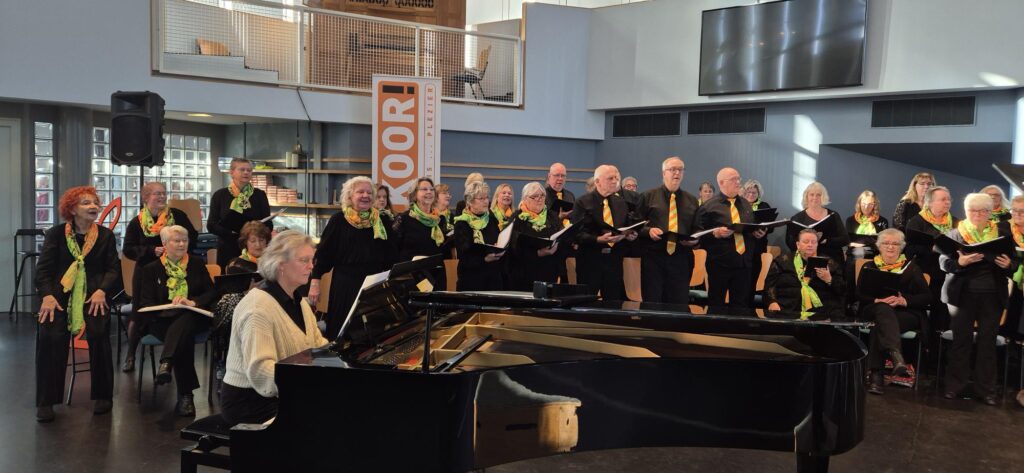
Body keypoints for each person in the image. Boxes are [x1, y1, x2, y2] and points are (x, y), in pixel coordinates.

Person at [220, 231, 329, 425]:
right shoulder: (257, 308)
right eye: (304, 260)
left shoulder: (298, 301)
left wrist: (336, 370)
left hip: (285, 390)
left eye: (312, 260)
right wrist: (310, 384)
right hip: (251, 402)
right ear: (281, 264)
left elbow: (318, 346)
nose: (311, 266)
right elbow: (261, 372)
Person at [34, 186, 120, 422]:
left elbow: (113, 269)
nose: (93, 206)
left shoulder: (105, 236)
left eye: (95, 202)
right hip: (59, 296)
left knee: (99, 333)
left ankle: (103, 395)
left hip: (93, 296)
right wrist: (47, 296)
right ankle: (46, 401)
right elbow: (43, 271)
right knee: (50, 336)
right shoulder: (56, 234)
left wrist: (102, 290)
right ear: (72, 209)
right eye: (85, 203)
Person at [938, 193, 1016, 405]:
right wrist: (960, 263)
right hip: (961, 296)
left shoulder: (1001, 233)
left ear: (991, 213)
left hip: (992, 296)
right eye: (973, 210)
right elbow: (943, 263)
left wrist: (1008, 265)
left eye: (983, 211)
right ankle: (954, 386)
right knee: (961, 341)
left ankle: (986, 390)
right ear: (966, 211)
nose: (978, 214)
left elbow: (1013, 263)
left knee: (987, 343)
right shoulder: (955, 234)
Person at [135, 225, 218, 416]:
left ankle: (167, 362)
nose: (182, 244)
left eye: (185, 240)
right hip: (162, 321)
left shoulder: (196, 263)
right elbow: (145, 303)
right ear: (164, 244)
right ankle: (186, 397)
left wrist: (192, 302)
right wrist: (170, 307)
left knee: (185, 317)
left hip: (194, 317)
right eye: (177, 241)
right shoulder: (150, 269)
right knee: (183, 335)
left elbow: (211, 292)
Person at [121, 182, 197, 373]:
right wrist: (150, 251)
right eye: (157, 194)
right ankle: (131, 355)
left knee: (175, 311)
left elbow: (193, 237)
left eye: (164, 193)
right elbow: (128, 249)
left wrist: (178, 252)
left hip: (176, 270)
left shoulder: (177, 216)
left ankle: (170, 354)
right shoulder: (137, 222)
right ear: (146, 197)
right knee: (138, 313)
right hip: (147, 273)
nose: (162, 197)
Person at [309, 176, 397, 340]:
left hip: (375, 286)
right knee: (344, 332)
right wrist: (315, 282)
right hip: (346, 286)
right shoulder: (338, 220)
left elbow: (392, 255)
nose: (365, 195)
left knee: (375, 333)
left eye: (369, 193)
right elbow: (323, 255)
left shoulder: (382, 220)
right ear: (350, 196)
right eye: (360, 192)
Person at [857, 229, 930, 395]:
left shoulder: (911, 268)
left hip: (905, 313)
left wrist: (904, 300)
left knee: (880, 326)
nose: (890, 247)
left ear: (902, 247)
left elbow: (927, 297)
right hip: (874, 308)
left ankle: (877, 377)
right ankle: (896, 355)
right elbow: (858, 294)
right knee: (883, 310)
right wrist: (877, 300)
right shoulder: (869, 266)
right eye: (886, 243)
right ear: (879, 246)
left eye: (895, 244)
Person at [694, 168, 767, 313]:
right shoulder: (708, 206)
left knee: (741, 307)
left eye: (739, 179)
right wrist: (715, 234)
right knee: (716, 306)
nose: (738, 182)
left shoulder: (745, 204)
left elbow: (749, 228)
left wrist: (757, 233)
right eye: (734, 179)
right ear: (722, 183)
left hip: (744, 263)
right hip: (720, 264)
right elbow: (698, 234)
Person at [637, 157, 699, 305]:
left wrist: (696, 239)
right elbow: (636, 225)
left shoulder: (692, 200)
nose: (677, 173)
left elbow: (697, 227)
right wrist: (648, 231)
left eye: (680, 170)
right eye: (673, 169)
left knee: (679, 303)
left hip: (681, 257)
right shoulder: (647, 196)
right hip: (654, 257)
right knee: (652, 302)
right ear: (664, 173)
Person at [574, 165, 638, 300]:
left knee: (614, 302)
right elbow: (577, 234)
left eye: (616, 178)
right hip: (590, 260)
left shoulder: (621, 202)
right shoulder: (582, 202)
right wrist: (598, 239)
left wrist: (630, 235)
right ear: (597, 182)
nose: (615, 181)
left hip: (614, 260)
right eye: (610, 178)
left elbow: (626, 226)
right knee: (586, 302)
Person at [904, 186, 956, 331]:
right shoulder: (917, 221)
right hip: (925, 273)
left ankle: (943, 337)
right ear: (930, 202)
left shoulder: (956, 222)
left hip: (948, 272)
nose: (947, 202)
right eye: (943, 199)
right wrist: (931, 249)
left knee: (945, 311)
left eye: (949, 199)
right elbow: (909, 251)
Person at [764, 229, 844, 319]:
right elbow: (769, 284)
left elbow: (842, 290)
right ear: (798, 244)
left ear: (817, 245)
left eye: (813, 242)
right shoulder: (783, 260)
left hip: (820, 311)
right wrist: (772, 302)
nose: (810, 245)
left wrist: (829, 279)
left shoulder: (828, 263)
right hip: (787, 308)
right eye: (806, 242)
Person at [207, 158, 272, 268]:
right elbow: (211, 225)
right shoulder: (220, 195)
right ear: (231, 172)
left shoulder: (259, 195)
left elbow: (269, 224)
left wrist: (256, 229)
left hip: (254, 249)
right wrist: (231, 232)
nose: (246, 173)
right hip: (228, 247)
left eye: (249, 170)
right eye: (242, 170)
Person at [394, 178, 448, 290]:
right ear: (414, 195)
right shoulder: (404, 219)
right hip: (412, 277)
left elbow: (442, 250)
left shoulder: (440, 220)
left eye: (431, 189)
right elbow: (394, 249)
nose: (429, 192)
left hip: (437, 275)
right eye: (424, 189)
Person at [509, 182, 564, 290]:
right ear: (525, 199)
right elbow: (513, 247)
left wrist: (558, 244)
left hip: (549, 270)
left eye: (542, 195)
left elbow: (561, 236)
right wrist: (537, 253)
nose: (539, 199)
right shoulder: (518, 218)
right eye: (535, 196)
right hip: (525, 273)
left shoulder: (552, 216)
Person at [453, 180, 506, 290]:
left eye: (486, 198)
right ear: (470, 201)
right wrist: (484, 259)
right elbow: (464, 256)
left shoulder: (491, 218)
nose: (486, 201)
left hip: (493, 278)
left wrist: (500, 248)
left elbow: (499, 240)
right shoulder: (462, 223)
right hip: (471, 280)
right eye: (481, 198)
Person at [786, 181, 849, 265]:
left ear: (823, 197)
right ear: (806, 197)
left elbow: (845, 239)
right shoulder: (797, 218)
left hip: (831, 259)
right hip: (806, 259)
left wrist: (826, 241)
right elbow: (790, 243)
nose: (815, 198)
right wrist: (805, 242)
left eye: (818, 195)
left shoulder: (833, 215)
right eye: (811, 195)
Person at [742, 179, 772, 307]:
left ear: (759, 194)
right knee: (741, 283)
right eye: (748, 192)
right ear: (743, 192)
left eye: (754, 192)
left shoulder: (764, 206)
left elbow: (771, 227)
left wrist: (764, 231)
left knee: (752, 282)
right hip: (741, 250)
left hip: (756, 251)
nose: (751, 195)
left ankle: (749, 309)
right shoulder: (739, 205)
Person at [545, 163, 575, 283]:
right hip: (551, 245)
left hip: (568, 245)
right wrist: (558, 218)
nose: (560, 179)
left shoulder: (570, 195)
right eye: (557, 175)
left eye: (563, 176)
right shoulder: (542, 195)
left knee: (567, 282)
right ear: (549, 176)